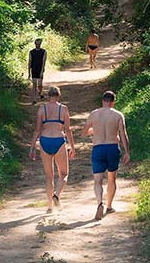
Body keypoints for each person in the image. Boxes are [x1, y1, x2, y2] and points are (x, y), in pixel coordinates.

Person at [81, 90, 130, 220]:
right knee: (111, 178)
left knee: (97, 180)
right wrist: (127, 152)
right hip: (112, 147)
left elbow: (84, 132)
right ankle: (109, 205)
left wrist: (93, 131)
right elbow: (123, 134)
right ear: (113, 102)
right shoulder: (118, 115)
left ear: (103, 101)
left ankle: (99, 203)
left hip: (98, 148)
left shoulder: (94, 114)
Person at [29, 86, 75, 213]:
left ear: (48, 95)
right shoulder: (63, 109)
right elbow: (68, 130)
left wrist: (32, 147)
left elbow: (37, 130)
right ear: (59, 96)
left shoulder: (42, 109)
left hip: (45, 140)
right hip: (59, 141)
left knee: (49, 176)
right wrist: (72, 146)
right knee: (64, 174)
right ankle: (57, 194)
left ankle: (50, 206)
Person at [28, 38, 47, 105]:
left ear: (40, 44)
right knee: (34, 85)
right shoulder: (31, 52)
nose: (37, 45)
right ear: (35, 44)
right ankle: (34, 99)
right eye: (36, 44)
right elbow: (29, 62)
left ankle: (40, 92)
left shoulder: (44, 52)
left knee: (40, 84)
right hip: (34, 69)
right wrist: (29, 73)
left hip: (40, 69)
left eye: (39, 44)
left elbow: (43, 62)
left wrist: (42, 71)